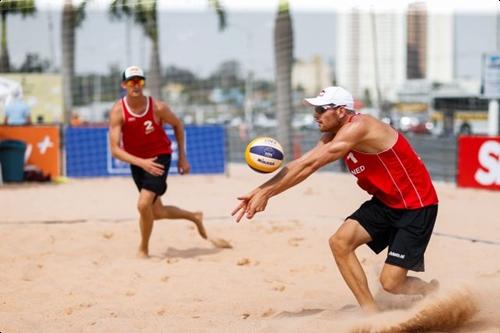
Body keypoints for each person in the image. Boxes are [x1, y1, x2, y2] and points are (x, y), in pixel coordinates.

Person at [232, 86, 439, 313]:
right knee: (340, 243)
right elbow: (302, 164)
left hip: (416, 205)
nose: (315, 115)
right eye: (315, 110)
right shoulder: (332, 135)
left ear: (341, 111)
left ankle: (430, 292)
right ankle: (371, 313)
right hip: (386, 202)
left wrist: (267, 193)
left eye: (321, 109)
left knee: (391, 283)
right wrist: (259, 190)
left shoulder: (359, 127)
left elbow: (311, 165)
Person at [108, 65, 207, 258]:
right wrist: (141, 162)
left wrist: (183, 158)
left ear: (143, 83)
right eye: (131, 81)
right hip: (138, 162)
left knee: (143, 205)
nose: (136, 85)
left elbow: (178, 125)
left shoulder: (158, 107)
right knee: (158, 212)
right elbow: (115, 150)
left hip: (159, 157)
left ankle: (143, 249)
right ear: (124, 85)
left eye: (139, 81)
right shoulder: (118, 111)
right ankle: (194, 216)